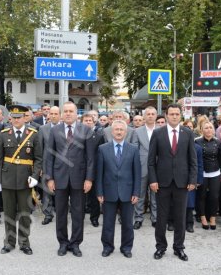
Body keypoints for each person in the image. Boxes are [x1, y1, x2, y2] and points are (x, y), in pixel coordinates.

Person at [148, 104, 197, 262]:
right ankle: (160, 247)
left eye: (177, 114)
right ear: (166, 115)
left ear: (181, 115)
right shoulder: (157, 133)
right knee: (161, 218)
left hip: (182, 183)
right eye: (171, 114)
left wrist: (192, 180)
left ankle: (179, 247)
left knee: (180, 217)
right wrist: (153, 180)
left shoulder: (188, 133)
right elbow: (151, 161)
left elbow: (193, 160)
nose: (174, 116)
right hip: (162, 182)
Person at [45, 101, 95, 258]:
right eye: (65, 111)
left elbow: (90, 158)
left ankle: (75, 243)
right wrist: (49, 178)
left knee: (78, 213)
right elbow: (49, 156)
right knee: (60, 212)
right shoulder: (55, 131)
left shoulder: (86, 130)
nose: (67, 113)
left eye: (70, 111)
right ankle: (63, 243)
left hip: (79, 179)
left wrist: (89, 179)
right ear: (61, 114)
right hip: (59, 178)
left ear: (76, 114)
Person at [0, 105, 42, 255]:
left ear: (24, 118)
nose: (16, 120)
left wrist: (35, 177)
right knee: (8, 213)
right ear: (10, 119)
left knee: (25, 214)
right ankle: (9, 242)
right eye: (13, 118)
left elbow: (39, 158)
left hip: (25, 180)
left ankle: (24, 242)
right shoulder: (4, 134)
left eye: (19, 117)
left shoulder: (33, 134)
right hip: (7, 179)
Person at [96, 120, 140, 258]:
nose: (119, 132)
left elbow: (137, 173)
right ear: (112, 132)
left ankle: (126, 247)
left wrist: (136, 192)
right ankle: (107, 247)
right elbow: (99, 173)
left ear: (126, 132)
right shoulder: (103, 148)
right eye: (116, 130)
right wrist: (99, 192)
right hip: (108, 192)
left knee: (127, 223)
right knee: (108, 222)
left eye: (122, 130)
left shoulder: (133, 149)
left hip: (128, 192)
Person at [195, 121, 221, 230]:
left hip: (215, 172)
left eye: (210, 128)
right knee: (201, 196)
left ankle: (212, 217)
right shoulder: (196, 141)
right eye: (206, 128)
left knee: (214, 196)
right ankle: (202, 217)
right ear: (202, 130)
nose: (208, 130)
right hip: (202, 173)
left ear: (213, 130)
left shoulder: (217, 142)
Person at [134, 106, 158, 229]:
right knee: (140, 194)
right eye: (148, 114)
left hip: (158, 167)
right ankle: (138, 218)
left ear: (156, 115)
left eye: (152, 114)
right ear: (144, 116)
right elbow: (135, 151)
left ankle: (155, 218)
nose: (150, 116)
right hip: (141, 166)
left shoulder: (161, 130)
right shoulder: (137, 131)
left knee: (155, 194)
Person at [38, 106, 60, 225]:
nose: (53, 116)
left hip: (62, 166)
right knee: (46, 190)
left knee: (61, 190)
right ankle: (48, 214)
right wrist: (40, 167)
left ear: (60, 115)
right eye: (51, 113)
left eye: (56, 113)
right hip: (47, 165)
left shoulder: (65, 129)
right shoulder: (43, 129)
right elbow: (40, 149)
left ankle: (61, 212)